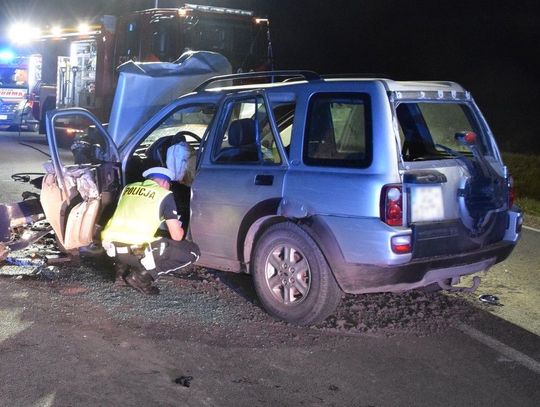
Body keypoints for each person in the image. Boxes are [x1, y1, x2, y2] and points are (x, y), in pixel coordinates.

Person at [101, 167, 200, 294]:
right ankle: (141, 276)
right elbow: (176, 236)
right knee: (193, 251)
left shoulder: (128, 188)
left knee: (132, 236)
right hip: (136, 251)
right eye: (169, 185)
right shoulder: (164, 194)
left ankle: (120, 274)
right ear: (165, 183)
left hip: (112, 248)